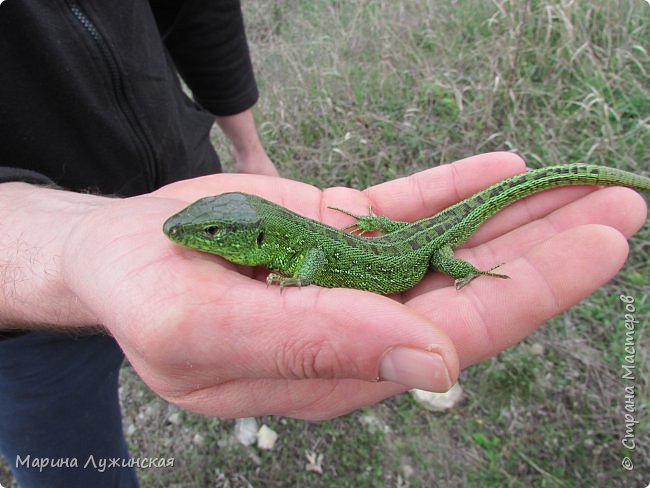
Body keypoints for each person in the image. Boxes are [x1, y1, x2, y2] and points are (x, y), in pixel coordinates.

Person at [1, 3, 648, 488]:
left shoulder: (290, 249)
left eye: (212, 231)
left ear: (254, 233)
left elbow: (310, 258)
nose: (195, 237)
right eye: (203, 229)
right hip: (23, 335)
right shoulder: (266, 236)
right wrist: (72, 241)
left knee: (454, 249)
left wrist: (439, 268)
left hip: (413, 252)